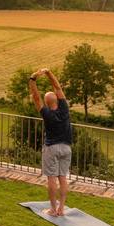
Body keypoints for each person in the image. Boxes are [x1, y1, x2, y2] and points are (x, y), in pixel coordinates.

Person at [29, 68, 72, 217]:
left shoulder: (46, 113)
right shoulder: (64, 108)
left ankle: (53, 209)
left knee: (52, 178)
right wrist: (48, 73)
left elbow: (35, 97)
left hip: (52, 148)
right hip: (66, 148)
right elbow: (58, 87)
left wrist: (32, 79)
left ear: (47, 103)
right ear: (57, 100)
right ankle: (62, 208)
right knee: (63, 177)